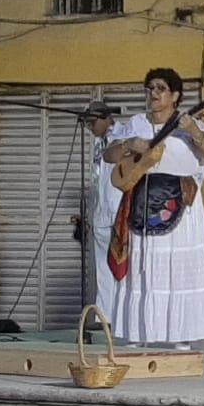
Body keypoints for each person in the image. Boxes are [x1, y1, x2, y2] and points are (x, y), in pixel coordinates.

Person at [103, 68, 204, 348]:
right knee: (141, 269)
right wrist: (129, 144)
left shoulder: (190, 125)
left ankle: (181, 336)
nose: (153, 93)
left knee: (178, 269)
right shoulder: (136, 123)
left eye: (160, 88)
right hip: (143, 200)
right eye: (149, 88)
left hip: (180, 203)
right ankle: (137, 333)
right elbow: (109, 155)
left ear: (175, 96)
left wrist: (193, 131)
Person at [81, 100, 124, 323]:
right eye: (87, 123)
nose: (90, 127)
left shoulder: (122, 135)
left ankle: (120, 319)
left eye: (93, 122)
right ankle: (104, 319)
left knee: (120, 268)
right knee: (103, 270)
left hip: (118, 212)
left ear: (107, 118)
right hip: (101, 214)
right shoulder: (98, 143)